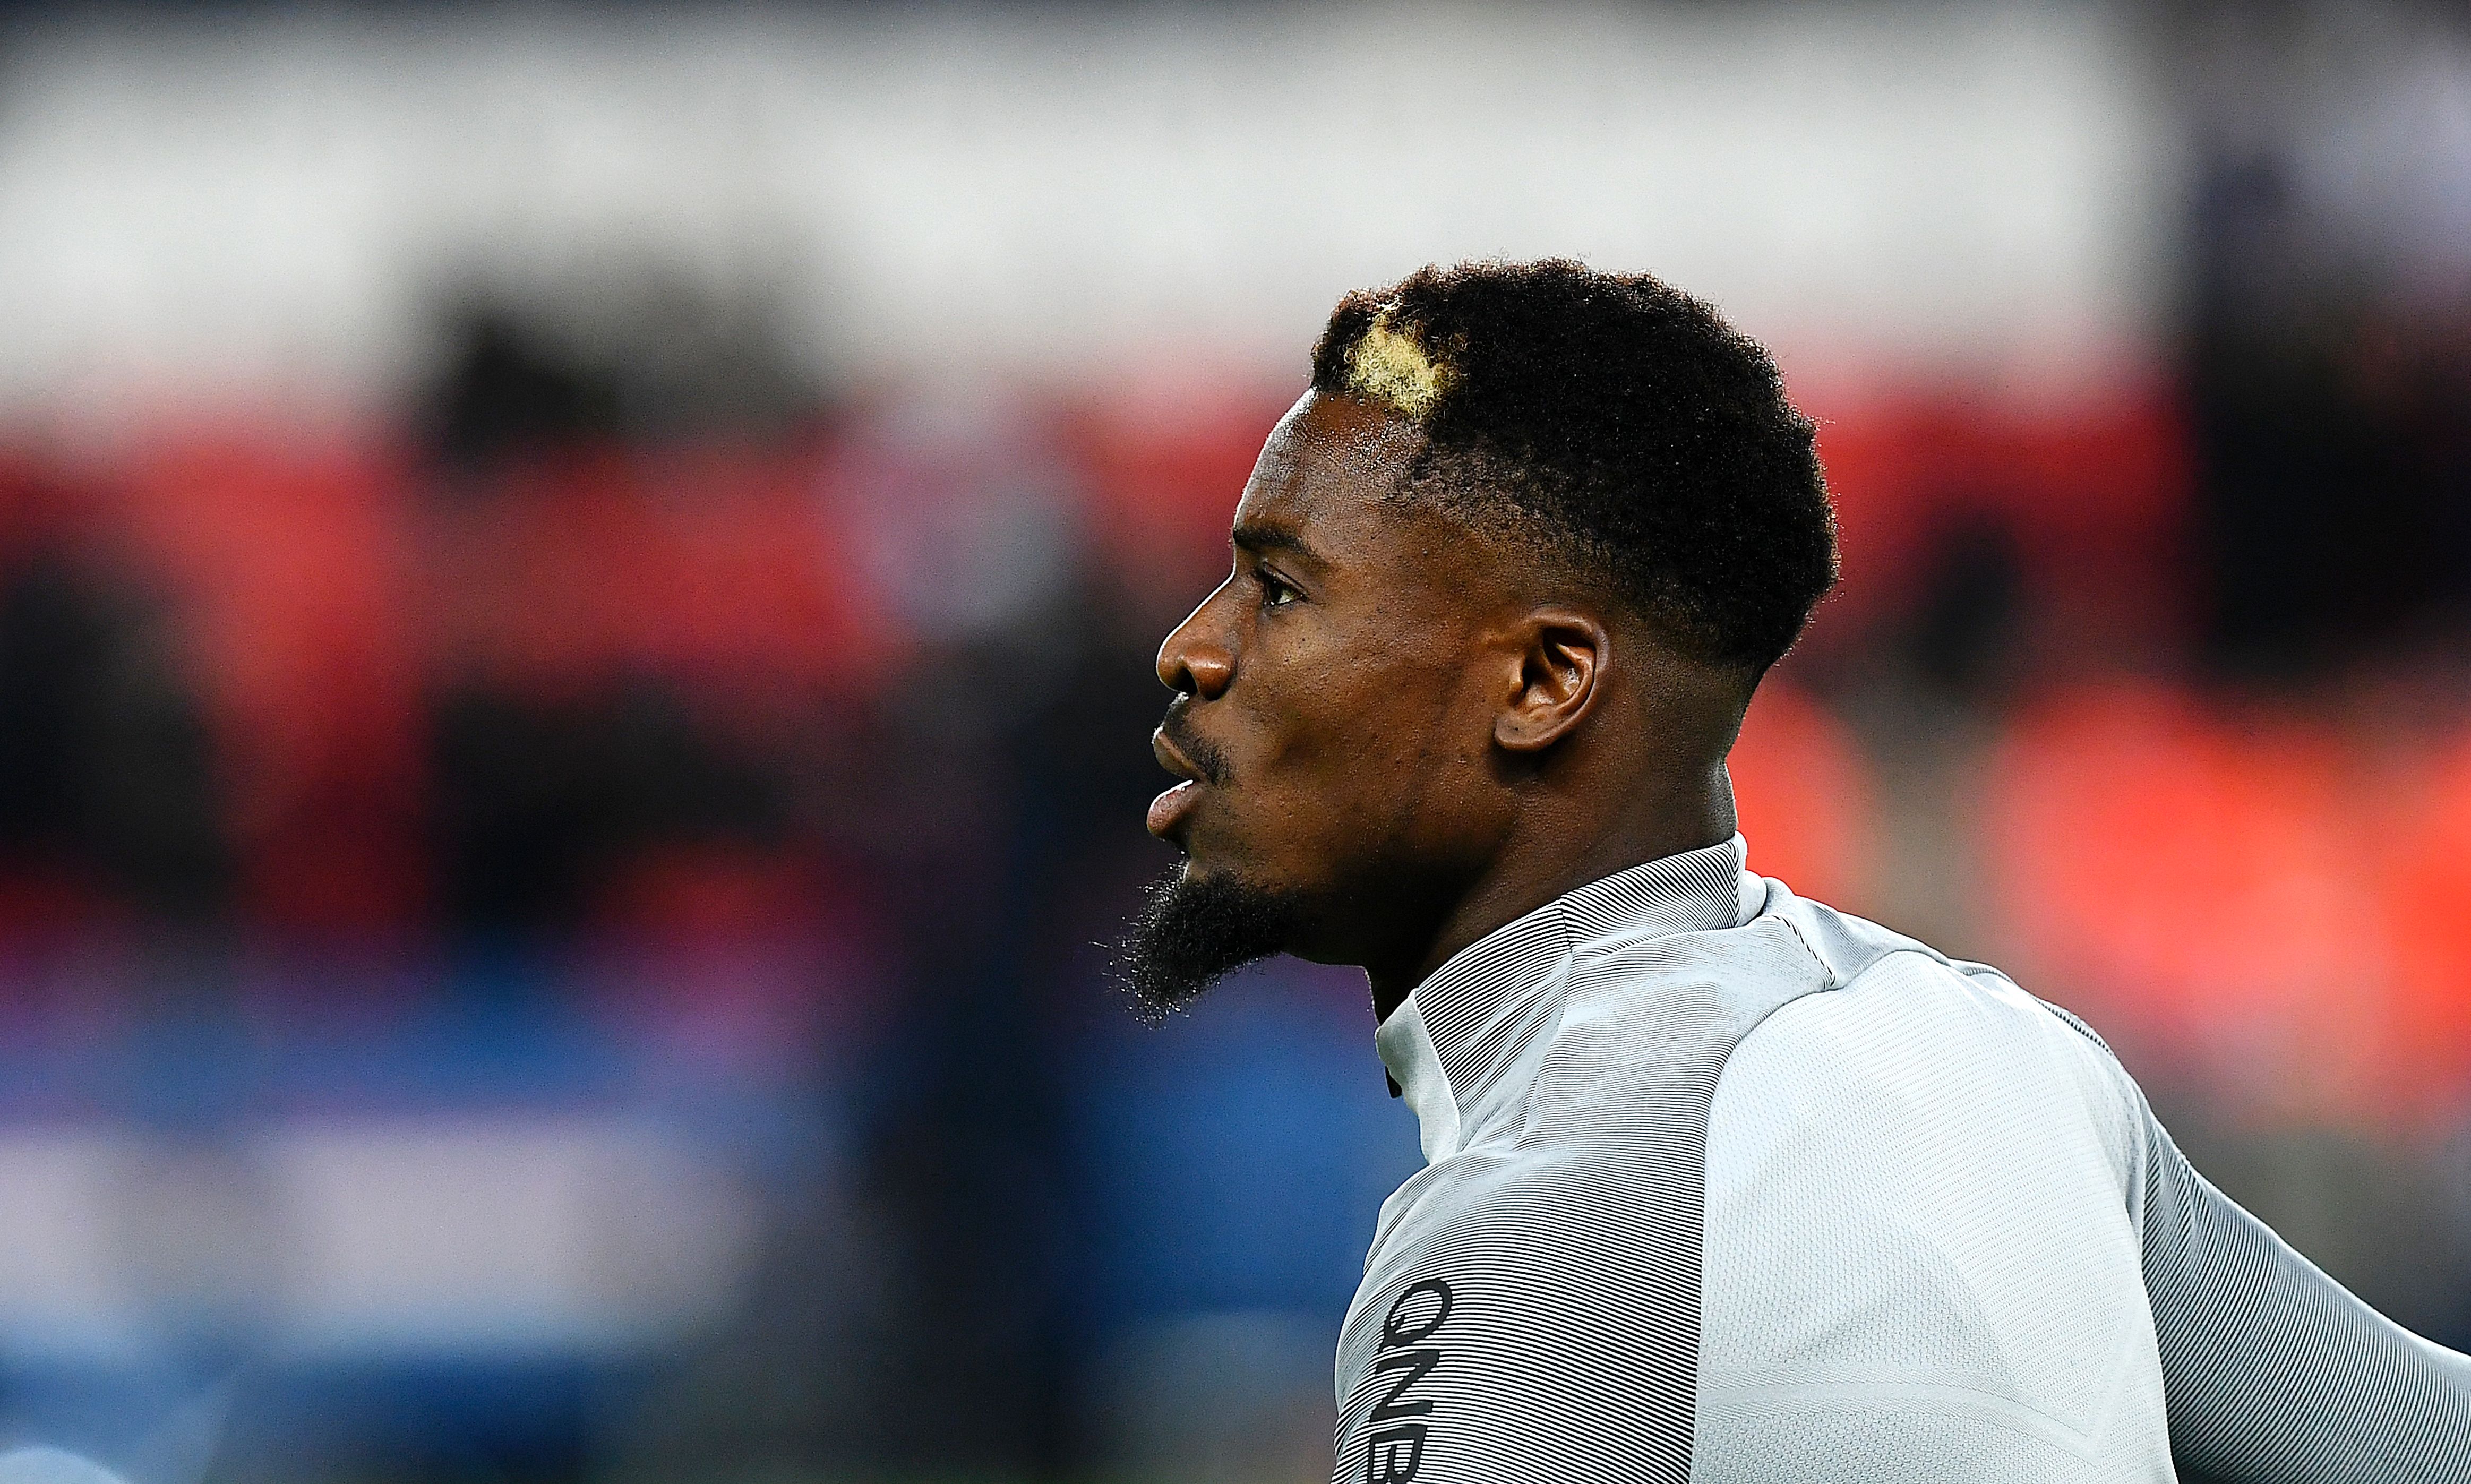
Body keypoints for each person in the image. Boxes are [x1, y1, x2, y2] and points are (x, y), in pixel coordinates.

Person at [1118, 260, 2471, 1483]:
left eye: (1278, 590)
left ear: (1542, 682)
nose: (1192, 648)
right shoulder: (2002, 1058)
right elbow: (2427, 1440)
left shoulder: (1536, 1225)